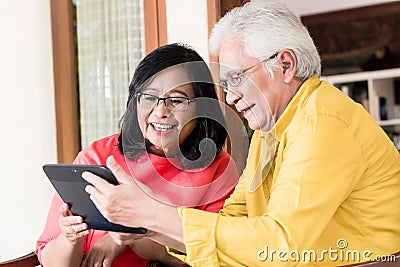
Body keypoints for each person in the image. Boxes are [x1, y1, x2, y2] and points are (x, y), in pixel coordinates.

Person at [82, 1, 400, 266]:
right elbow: (236, 222)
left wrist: (150, 212)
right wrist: (149, 227)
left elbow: (280, 244)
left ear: (286, 65)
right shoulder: (270, 129)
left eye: (237, 79)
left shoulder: (322, 121)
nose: (230, 97)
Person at [36, 43, 239, 267]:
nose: (161, 112)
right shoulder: (98, 156)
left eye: (177, 100)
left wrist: (127, 236)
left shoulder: (218, 170)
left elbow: (219, 255)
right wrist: (70, 238)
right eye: (149, 97)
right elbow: (51, 260)